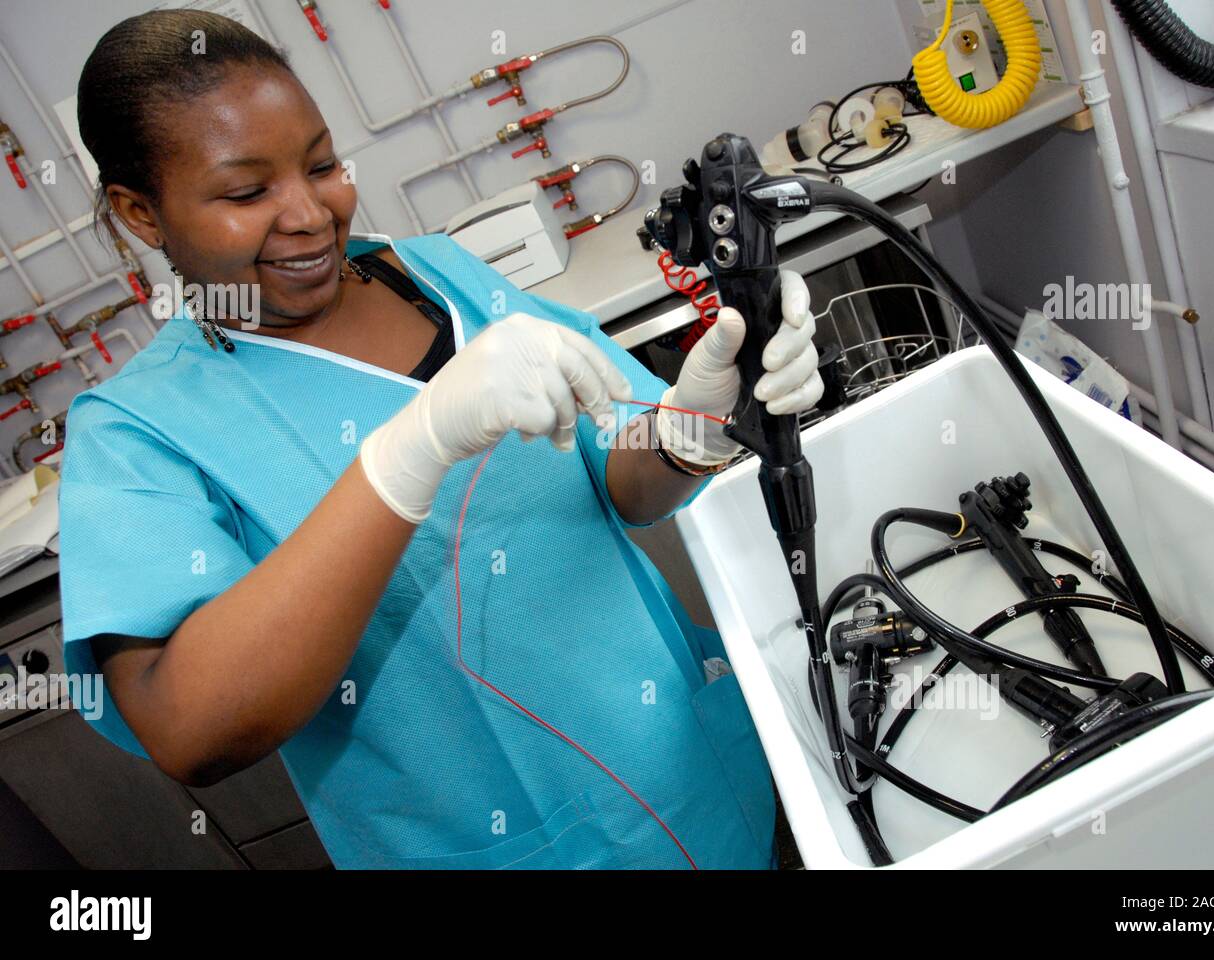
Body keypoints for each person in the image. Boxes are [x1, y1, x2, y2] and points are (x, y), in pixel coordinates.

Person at [59, 10, 823, 869]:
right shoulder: (137, 433)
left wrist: (697, 421)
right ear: (140, 213)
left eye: (321, 164)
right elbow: (189, 729)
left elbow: (620, 481)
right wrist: (403, 457)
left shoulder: (430, 272)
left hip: (709, 778)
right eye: (246, 193)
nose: (311, 213)